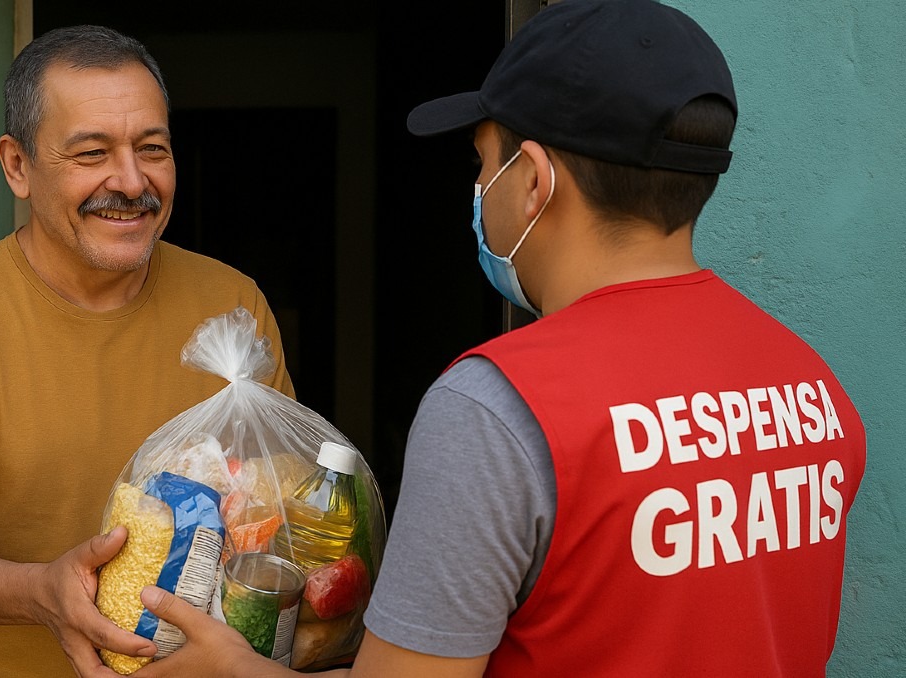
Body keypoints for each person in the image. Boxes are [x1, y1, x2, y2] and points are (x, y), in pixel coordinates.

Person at [131, 1, 867, 676]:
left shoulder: (496, 407)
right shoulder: (810, 386)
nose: (480, 190)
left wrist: (229, 666)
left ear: (535, 181)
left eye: (483, 165)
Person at [0, 25, 295, 677]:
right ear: (17, 165)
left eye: (152, 148)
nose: (130, 181)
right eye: (92, 153)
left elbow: (279, 516)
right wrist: (41, 592)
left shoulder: (231, 304)